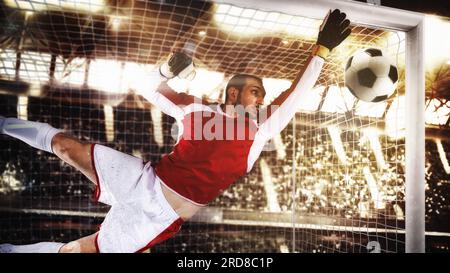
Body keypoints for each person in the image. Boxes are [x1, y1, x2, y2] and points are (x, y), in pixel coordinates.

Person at [0, 9, 350, 253]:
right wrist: (166, 69)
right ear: (233, 93)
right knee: (64, 145)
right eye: (257, 91)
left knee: (79, 251)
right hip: (144, 180)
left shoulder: (261, 127)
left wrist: (322, 50)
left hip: (159, 216)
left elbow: (296, 93)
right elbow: (146, 87)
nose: (264, 98)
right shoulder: (195, 107)